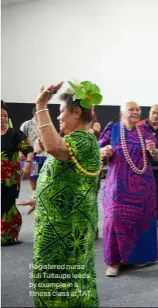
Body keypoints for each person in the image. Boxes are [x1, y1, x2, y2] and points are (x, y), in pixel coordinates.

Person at [18, 81, 101, 307]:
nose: (59, 117)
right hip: (60, 221)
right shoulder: (78, 139)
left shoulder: (83, 139)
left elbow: (53, 147)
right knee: (60, 277)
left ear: (76, 112)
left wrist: (41, 104)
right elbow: (69, 178)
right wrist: (40, 198)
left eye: (61, 111)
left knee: (61, 279)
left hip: (66, 227)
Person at [99, 101, 158, 277]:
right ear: (122, 113)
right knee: (115, 219)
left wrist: (154, 152)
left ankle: (138, 256)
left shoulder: (145, 130)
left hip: (143, 184)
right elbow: (99, 147)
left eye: (137, 109)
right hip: (118, 186)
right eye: (131, 109)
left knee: (141, 219)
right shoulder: (113, 129)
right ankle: (114, 261)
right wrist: (104, 151)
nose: (135, 112)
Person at [1, 101, 33, 246]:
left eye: (5, 115)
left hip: (9, 178)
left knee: (8, 205)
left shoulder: (14, 133)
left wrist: (27, 163)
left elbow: (29, 149)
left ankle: (9, 235)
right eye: (0, 115)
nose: (2, 118)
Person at [20, 108, 48, 199]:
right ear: (34, 113)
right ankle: (34, 193)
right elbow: (20, 139)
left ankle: (42, 194)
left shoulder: (47, 124)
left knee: (44, 176)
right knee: (33, 175)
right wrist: (21, 152)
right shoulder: (27, 124)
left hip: (45, 155)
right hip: (33, 155)